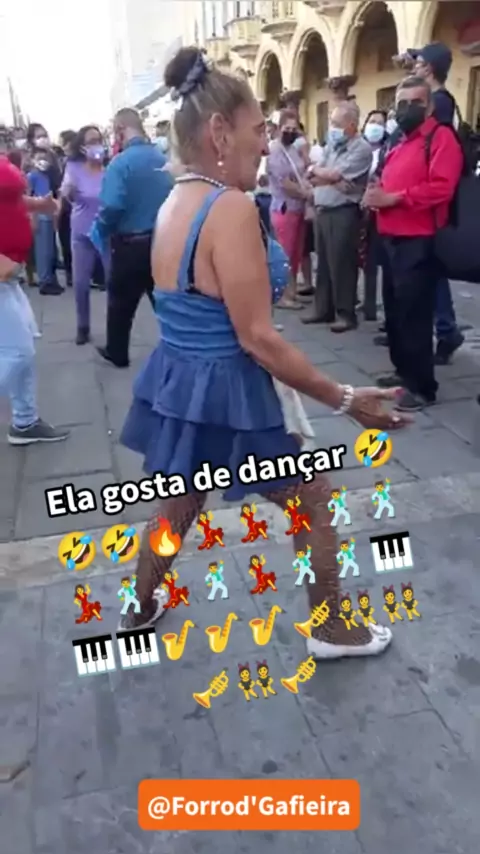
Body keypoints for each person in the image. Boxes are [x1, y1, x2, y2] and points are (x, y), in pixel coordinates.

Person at [118, 45, 410, 662]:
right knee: (314, 505)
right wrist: (347, 399)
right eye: (258, 130)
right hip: (230, 392)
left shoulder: (176, 199)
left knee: (179, 502)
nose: (267, 141)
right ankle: (332, 629)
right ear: (219, 132)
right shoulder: (227, 207)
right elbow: (257, 336)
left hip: (184, 383)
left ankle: (138, 607)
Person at [363, 75, 464, 412]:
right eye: (401, 103)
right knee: (394, 310)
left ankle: (422, 387)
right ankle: (403, 372)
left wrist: (394, 198)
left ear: (430, 106)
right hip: (390, 237)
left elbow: (442, 187)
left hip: (418, 239)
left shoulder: (440, 137)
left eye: (415, 102)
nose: (407, 109)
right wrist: (376, 194)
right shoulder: (400, 142)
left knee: (415, 315)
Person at [92, 108, 174, 367]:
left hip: (129, 245)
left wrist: (102, 228)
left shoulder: (120, 164)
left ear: (120, 130)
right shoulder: (162, 159)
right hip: (161, 241)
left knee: (120, 303)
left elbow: (112, 205)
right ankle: (179, 349)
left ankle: (117, 352)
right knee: (165, 302)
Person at [0, 155, 69, 444]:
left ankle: (25, 421)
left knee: (22, 346)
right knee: (18, 352)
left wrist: (39, 204)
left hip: (8, 277)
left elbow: (9, 200)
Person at [412, 42, 465, 364]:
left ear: (429, 68)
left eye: (418, 62)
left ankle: (446, 330)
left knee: (432, 268)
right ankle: (442, 328)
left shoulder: (440, 103)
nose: (414, 67)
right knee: (430, 268)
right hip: (426, 203)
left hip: (432, 205)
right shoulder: (440, 100)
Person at [304, 101, 372, 332]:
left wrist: (326, 176)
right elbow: (314, 175)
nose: (331, 127)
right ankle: (323, 309)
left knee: (342, 263)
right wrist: (327, 177)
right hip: (323, 209)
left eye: (336, 123)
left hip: (343, 212)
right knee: (323, 264)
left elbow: (333, 174)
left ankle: (345, 313)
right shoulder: (332, 146)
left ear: (351, 125)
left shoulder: (360, 149)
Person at [60, 125, 108, 344]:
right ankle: (83, 326)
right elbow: (67, 194)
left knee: (113, 282)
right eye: (91, 142)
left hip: (106, 232)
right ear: (82, 147)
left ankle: (116, 328)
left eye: (98, 140)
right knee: (81, 283)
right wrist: (67, 192)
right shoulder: (74, 168)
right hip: (81, 232)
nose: (96, 145)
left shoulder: (110, 169)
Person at [267, 109, 309, 309]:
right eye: (287, 128)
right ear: (279, 128)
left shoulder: (292, 149)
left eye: (294, 128)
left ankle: (291, 291)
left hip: (298, 207)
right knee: (285, 253)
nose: (291, 132)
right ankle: (282, 295)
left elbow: (302, 171)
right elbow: (284, 182)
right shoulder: (275, 150)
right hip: (285, 207)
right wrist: (306, 193)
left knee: (295, 253)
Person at [361, 110, 389, 321]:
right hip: (359, 209)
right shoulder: (360, 148)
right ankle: (365, 302)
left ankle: (382, 308)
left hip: (380, 211)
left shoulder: (387, 150)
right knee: (363, 259)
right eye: (372, 121)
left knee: (381, 259)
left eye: (380, 123)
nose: (375, 126)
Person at [27, 148, 61, 295]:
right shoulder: (31, 176)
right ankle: (44, 281)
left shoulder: (48, 176)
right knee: (43, 252)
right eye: (39, 157)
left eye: (45, 157)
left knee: (50, 251)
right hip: (39, 216)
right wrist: (32, 218)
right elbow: (28, 197)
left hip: (49, 215)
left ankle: (51, 279)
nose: (43, 161)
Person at [57, 130, 77, 287]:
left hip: (70, 207)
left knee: (70, 243)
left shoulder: (73, 163)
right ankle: (71, 273)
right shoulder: (63, 161)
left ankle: (74, 273)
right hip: (65, 207)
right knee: (66, 243)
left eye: (64, 143)